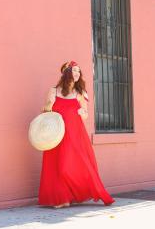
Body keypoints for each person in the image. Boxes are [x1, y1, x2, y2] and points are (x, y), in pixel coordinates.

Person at [38, 61, 115, 208]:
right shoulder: (53, 91)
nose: (78, 73)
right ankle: (62, 199)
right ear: (67, 73)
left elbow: (85, 115)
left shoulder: (80, 93)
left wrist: (82, 112)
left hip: (75, 135)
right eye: (74, 71)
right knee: (56, 166)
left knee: (70, 165)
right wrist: (48, 105)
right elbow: (46, 112)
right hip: (56, 134)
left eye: (79, 71)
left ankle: (93, 192)